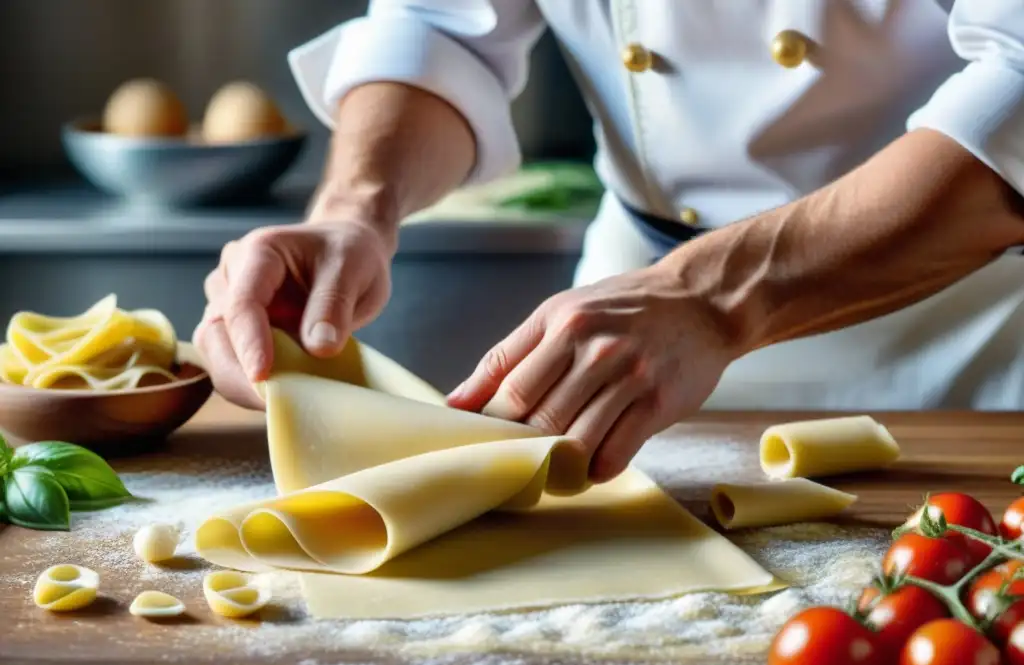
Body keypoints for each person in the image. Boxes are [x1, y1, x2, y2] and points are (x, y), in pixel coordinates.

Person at [195, 2, 1024, 482]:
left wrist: (710, 296)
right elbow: (444, 26)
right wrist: (353, 208)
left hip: (956, 314)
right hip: (634, 305)